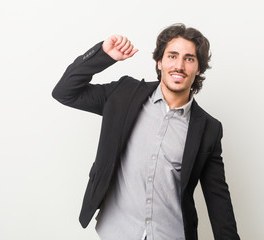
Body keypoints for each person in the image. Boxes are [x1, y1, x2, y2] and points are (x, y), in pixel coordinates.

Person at [52, 23, 240, 240]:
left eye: (189, 59)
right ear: (159, 62)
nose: (179, 65)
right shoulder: (123, 95)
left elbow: (218, 199)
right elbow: (65, 92)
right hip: (117, 232)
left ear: (198, 69)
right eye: (172, 56)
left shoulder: (208, 129)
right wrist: (104, 54)